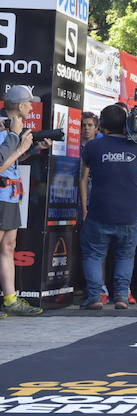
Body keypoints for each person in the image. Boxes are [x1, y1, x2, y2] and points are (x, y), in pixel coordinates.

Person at [79, 105, 137, 310]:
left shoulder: (93, 147)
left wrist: (84, 207)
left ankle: (94, 296)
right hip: (131, 211)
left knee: (93, 254)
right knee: (125, 255)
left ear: (102, 123)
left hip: (100, 209)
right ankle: (121, 296)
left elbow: (84, 177)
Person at [0, 89, 41, 316]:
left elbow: (11, 160)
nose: (32, 107)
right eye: (29, 103)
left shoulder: (12, 129)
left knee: (9, 246)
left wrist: (29, 152)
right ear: (20, 106)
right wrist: (21, 147)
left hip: (11, 195)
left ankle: (10, 299)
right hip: (1, 195)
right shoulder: (5, 129)